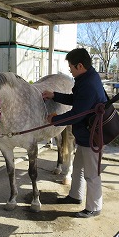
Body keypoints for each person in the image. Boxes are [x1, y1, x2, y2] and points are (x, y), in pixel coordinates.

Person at [42, 48, 107, 218]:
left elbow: (77, 114)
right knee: (78, 167)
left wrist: (54, 120)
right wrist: (54, 95)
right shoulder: (86, 78)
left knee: (92, 174)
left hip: (92, 136)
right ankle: (75, 196)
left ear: (80, 65)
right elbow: (76, 100)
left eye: (71, 66)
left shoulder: (88, 84)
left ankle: (94, 207)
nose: (69, 70)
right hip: (85, 134)